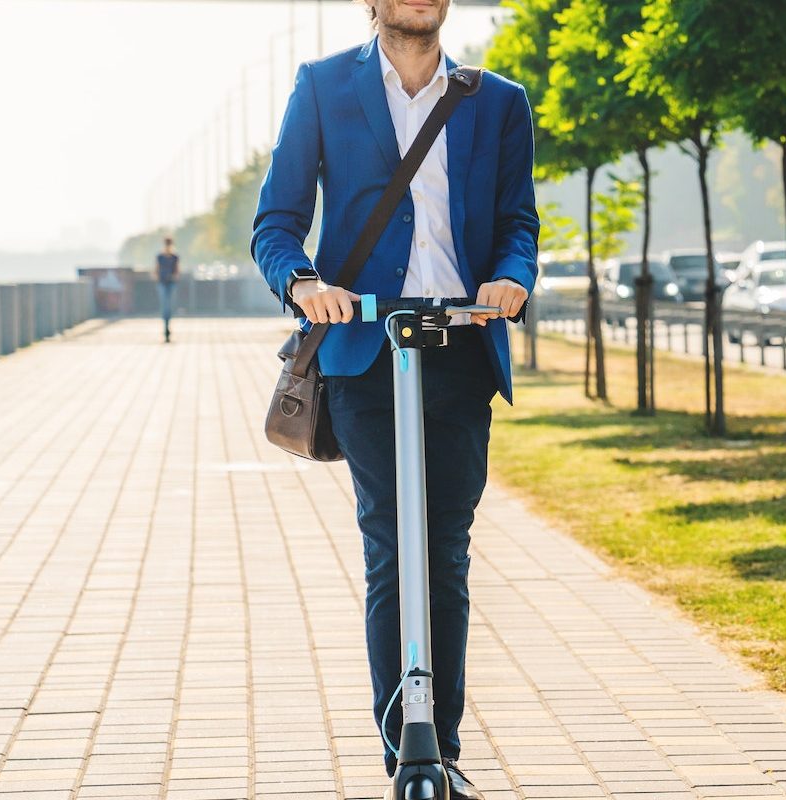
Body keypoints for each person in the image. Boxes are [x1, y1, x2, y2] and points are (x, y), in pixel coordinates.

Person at [250, 0, 536, 794]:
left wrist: (513, 275)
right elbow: (275, 224)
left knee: (442, 546)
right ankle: (402, 754)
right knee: (392, 546)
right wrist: (304, 282)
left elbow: (519, 220)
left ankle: (439, 749)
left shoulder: (496, 100)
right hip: (365, 351)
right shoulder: (321, 87)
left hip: (458, 349)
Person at [156, 238, 179, 342]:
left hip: (171, 284)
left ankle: (167, 326)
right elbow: (156, 269)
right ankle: (166, 328)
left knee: (170, 306)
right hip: (162, 283)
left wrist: (173, 276)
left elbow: (177, 270)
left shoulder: (175, 257)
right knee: (165, 306)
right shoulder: (160, 257)